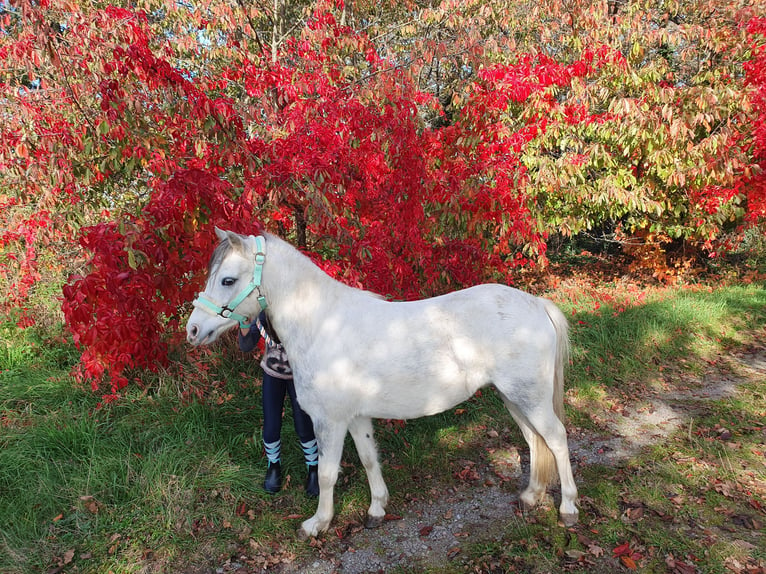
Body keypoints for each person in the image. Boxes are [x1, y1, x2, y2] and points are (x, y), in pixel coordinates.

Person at [239, 311, 319, 497]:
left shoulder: (302, 308)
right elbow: (246, 345)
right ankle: (273, 466)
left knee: (304, 424)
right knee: (271, 424)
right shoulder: (263, 313)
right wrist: (244, 324)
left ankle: (313, 469)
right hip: (272, 373)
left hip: (299, 375)